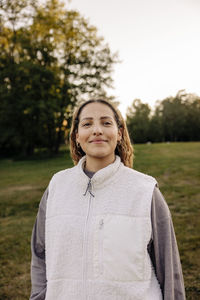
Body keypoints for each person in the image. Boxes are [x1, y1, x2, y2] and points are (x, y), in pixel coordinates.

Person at [30, 99, 185, 300]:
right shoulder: (57, 187)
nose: (97, 130)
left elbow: (168, 266)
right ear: (77, 136)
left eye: (106, 122)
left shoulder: (145, 191)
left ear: (119, 133)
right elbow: (40, 254)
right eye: (87, 124)